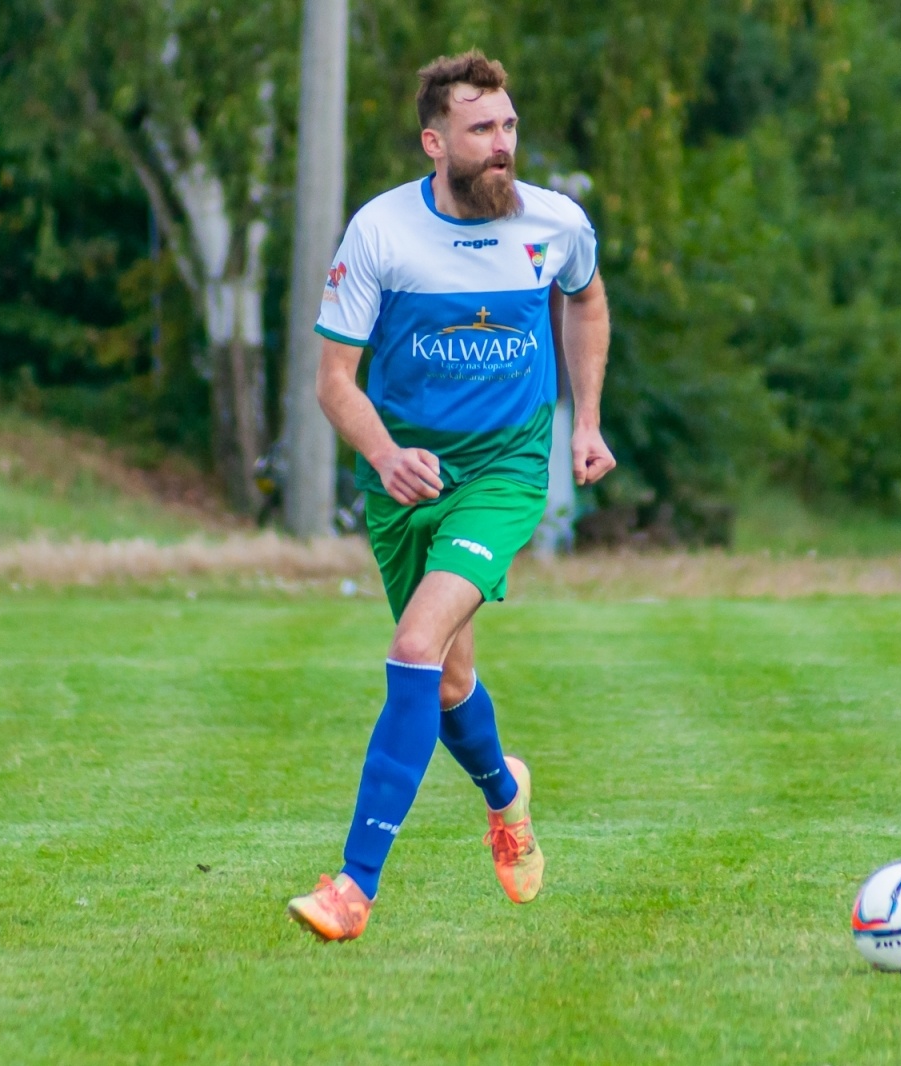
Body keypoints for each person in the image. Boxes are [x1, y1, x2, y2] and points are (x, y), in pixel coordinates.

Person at [286, 49, 615, 942]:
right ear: (435, 142)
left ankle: (353, 887)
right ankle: (507, 796)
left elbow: (586, 301)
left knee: (413, 645)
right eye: (480, 129)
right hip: (403, 483)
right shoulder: (380, 232)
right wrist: (387, 455)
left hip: (505, 476)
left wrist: (586, 421)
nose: (502, 144)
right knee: (447, 681)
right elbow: (333, 382)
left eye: (508, 126)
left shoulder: (554, 223)